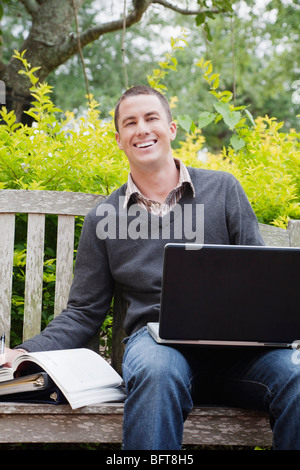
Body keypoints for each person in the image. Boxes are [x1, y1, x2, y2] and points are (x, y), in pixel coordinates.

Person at [4, 86, 300, 450]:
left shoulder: (223, 190)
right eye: (130, 123)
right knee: (157, 373)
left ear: (171, 128)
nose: (141, 129)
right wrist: (23, 352)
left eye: (151, 118)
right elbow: (83, 312)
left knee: (297, 376)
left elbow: (261, 279)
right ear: (119, 139)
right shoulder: (104, 217)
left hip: (237, 355)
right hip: (158, 345)